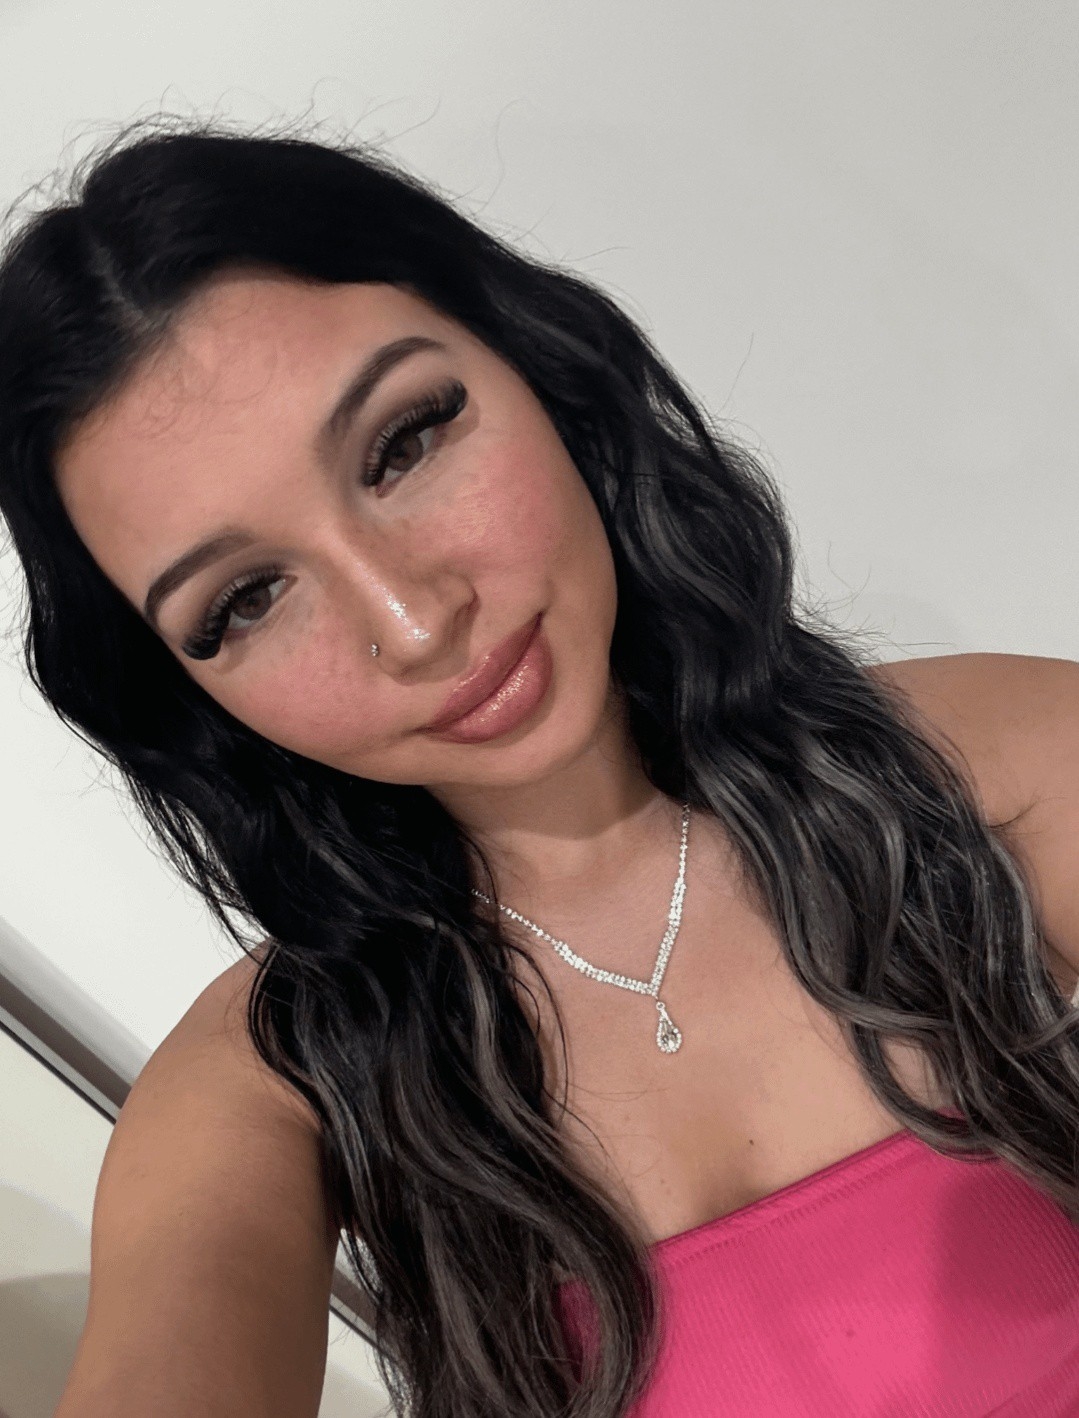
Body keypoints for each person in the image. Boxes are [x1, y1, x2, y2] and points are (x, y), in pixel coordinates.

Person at [1, 120, 1078, 1418]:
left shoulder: (989, 764)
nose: (413, 622)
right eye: (247, 599)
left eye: (405, 443)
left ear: (529, 356)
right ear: (187, 697)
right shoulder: (272, 1082)